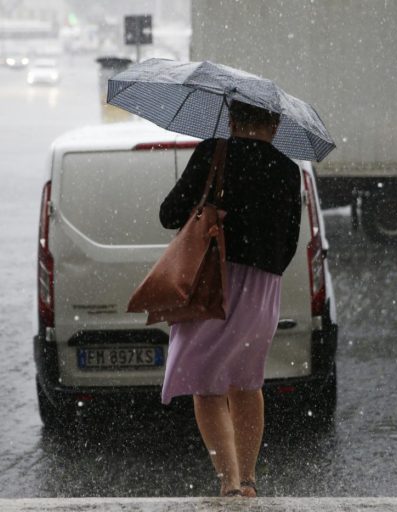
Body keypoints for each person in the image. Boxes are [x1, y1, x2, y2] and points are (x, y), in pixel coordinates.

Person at [158, 100, 302, 497]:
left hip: (214, 283)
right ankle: (250, 481)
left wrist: (209, 210)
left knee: (207, 385)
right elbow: (289, 243)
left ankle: (229, 482)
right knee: (246, 380)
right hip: (262, 291)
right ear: (274, 124)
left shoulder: (213, 152)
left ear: (233, 119)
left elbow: (169, 214)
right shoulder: (289, 170)